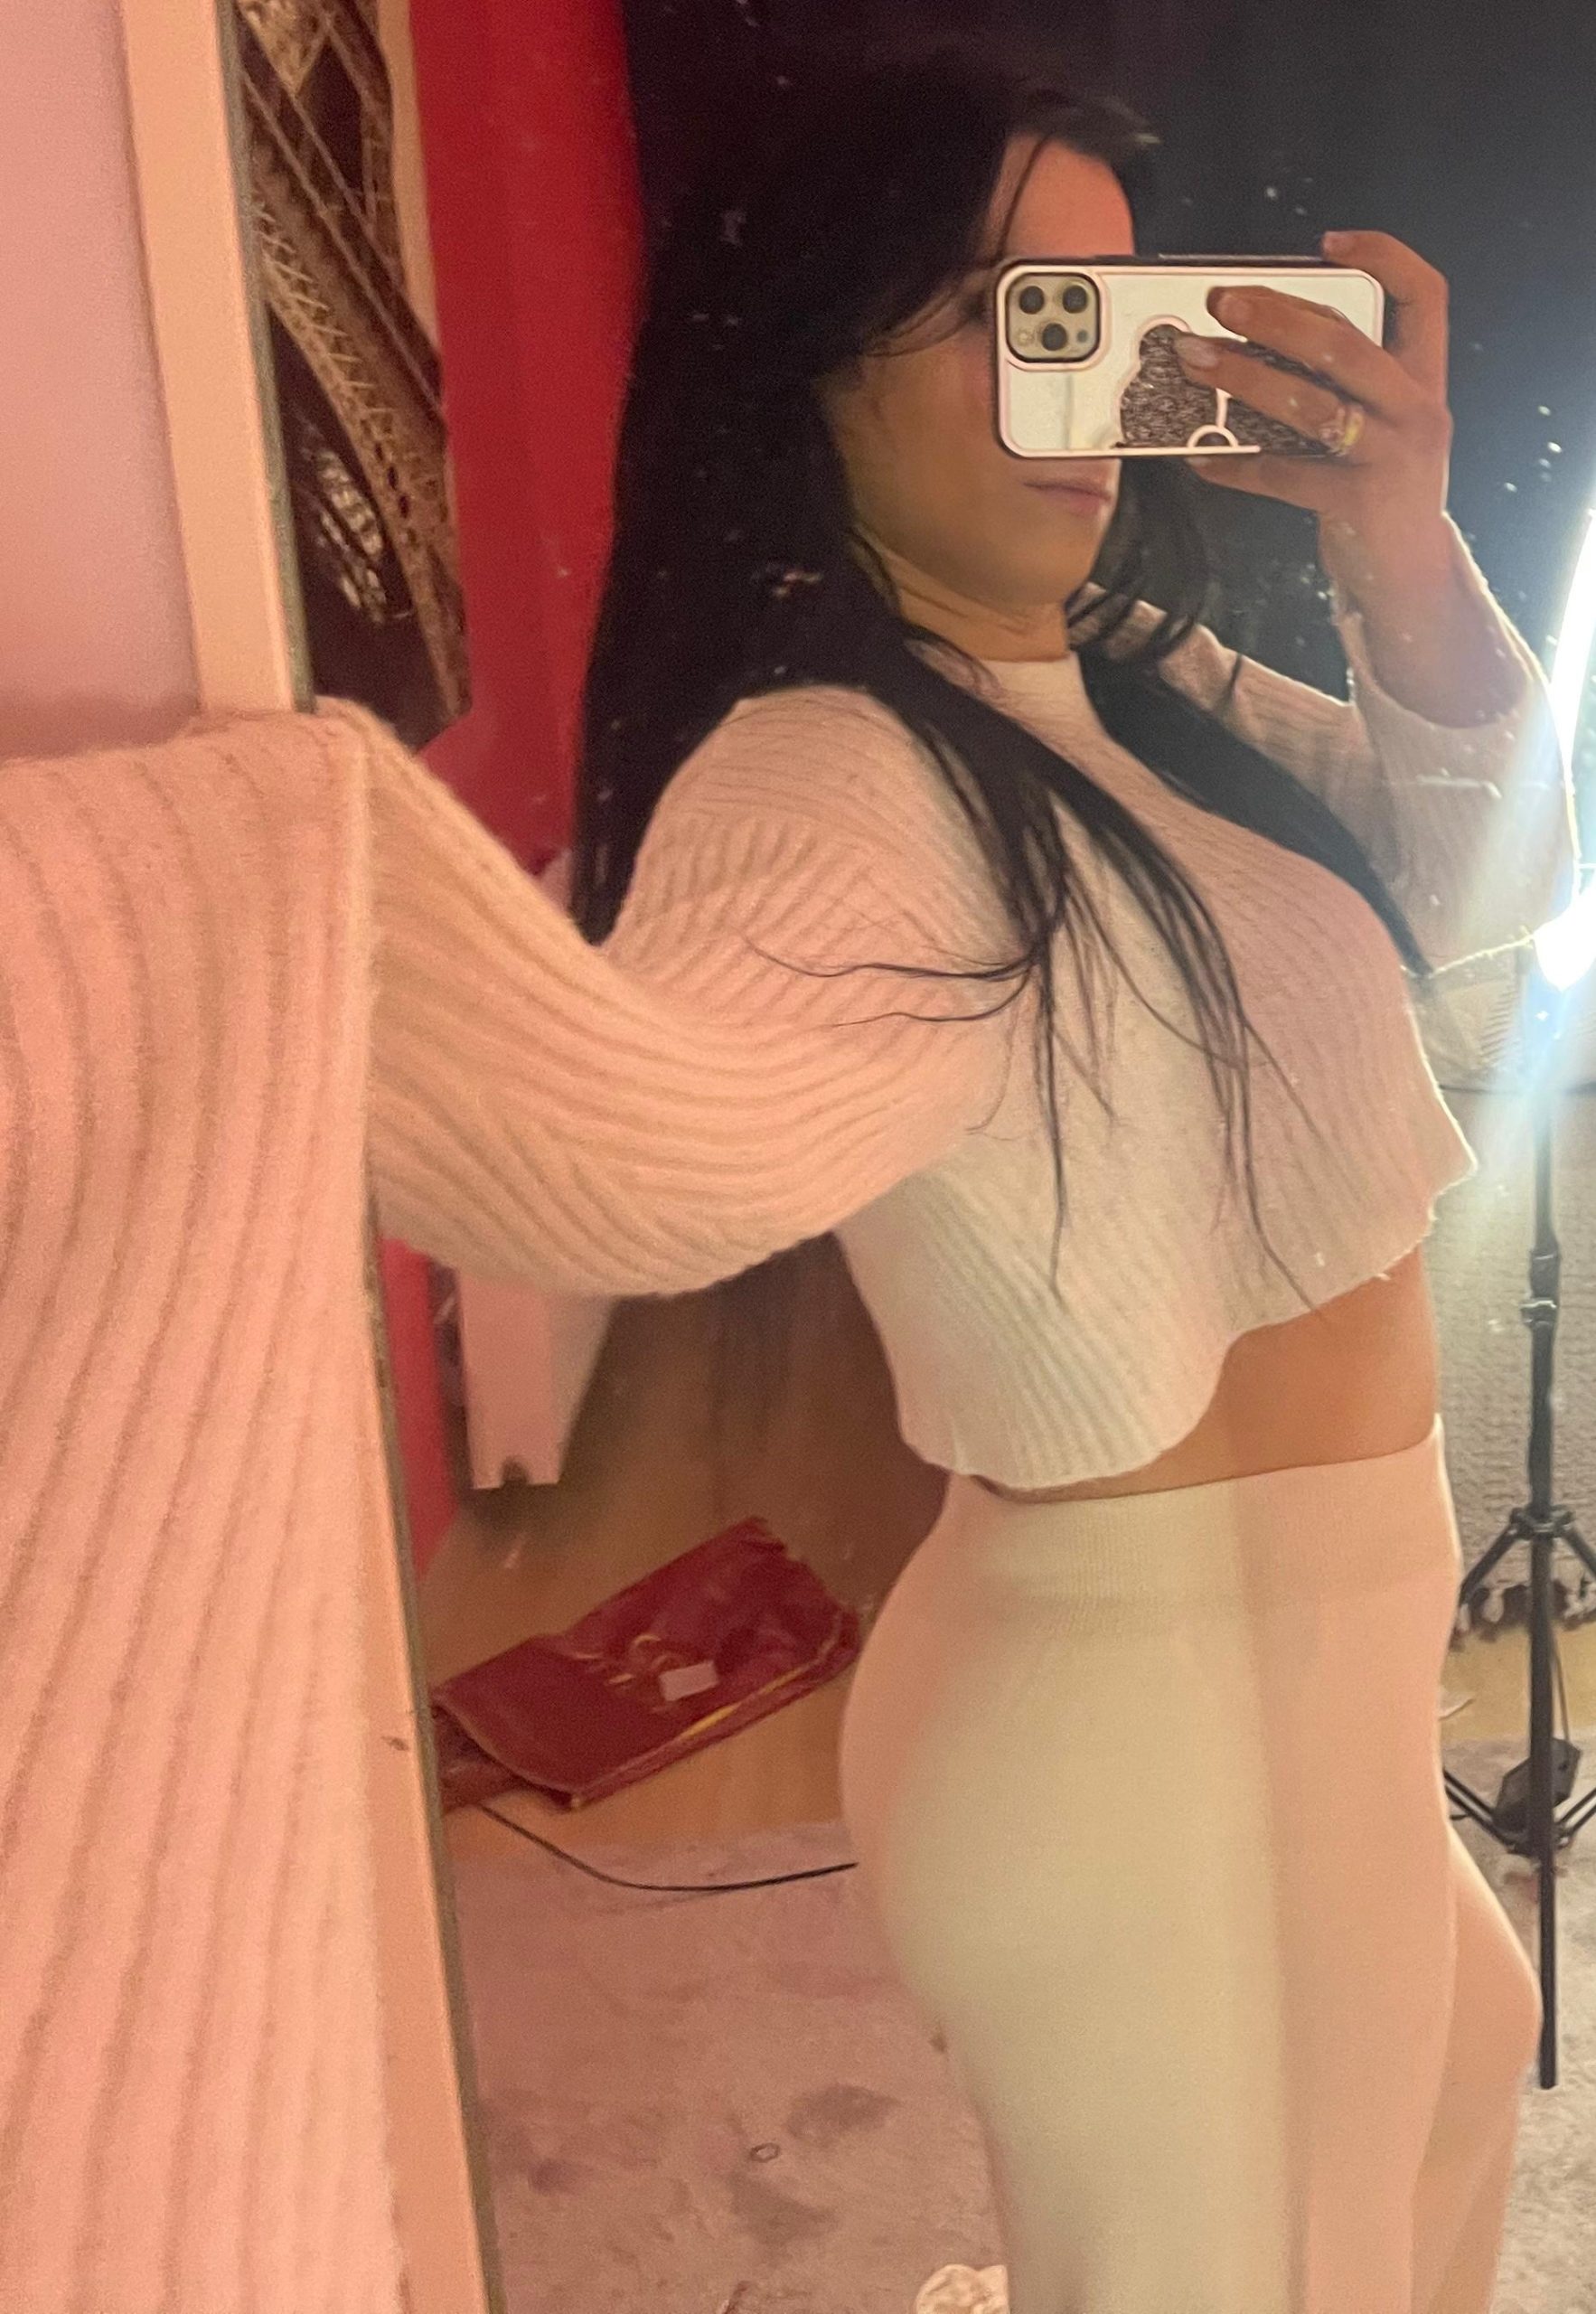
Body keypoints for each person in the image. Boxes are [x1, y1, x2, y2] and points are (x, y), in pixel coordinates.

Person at [352, 33, 1575, 2311]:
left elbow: (1481, 867)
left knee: (1442, 2089)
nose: (1071, 388)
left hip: (1282, 1697)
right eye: (1007, 313)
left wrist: (1393, 540)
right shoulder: (834, 767)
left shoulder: (1121, 672)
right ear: (812, 359)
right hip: (1149, 1741)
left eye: (1096, 316)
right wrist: (312, 890)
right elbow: (629, 1161)